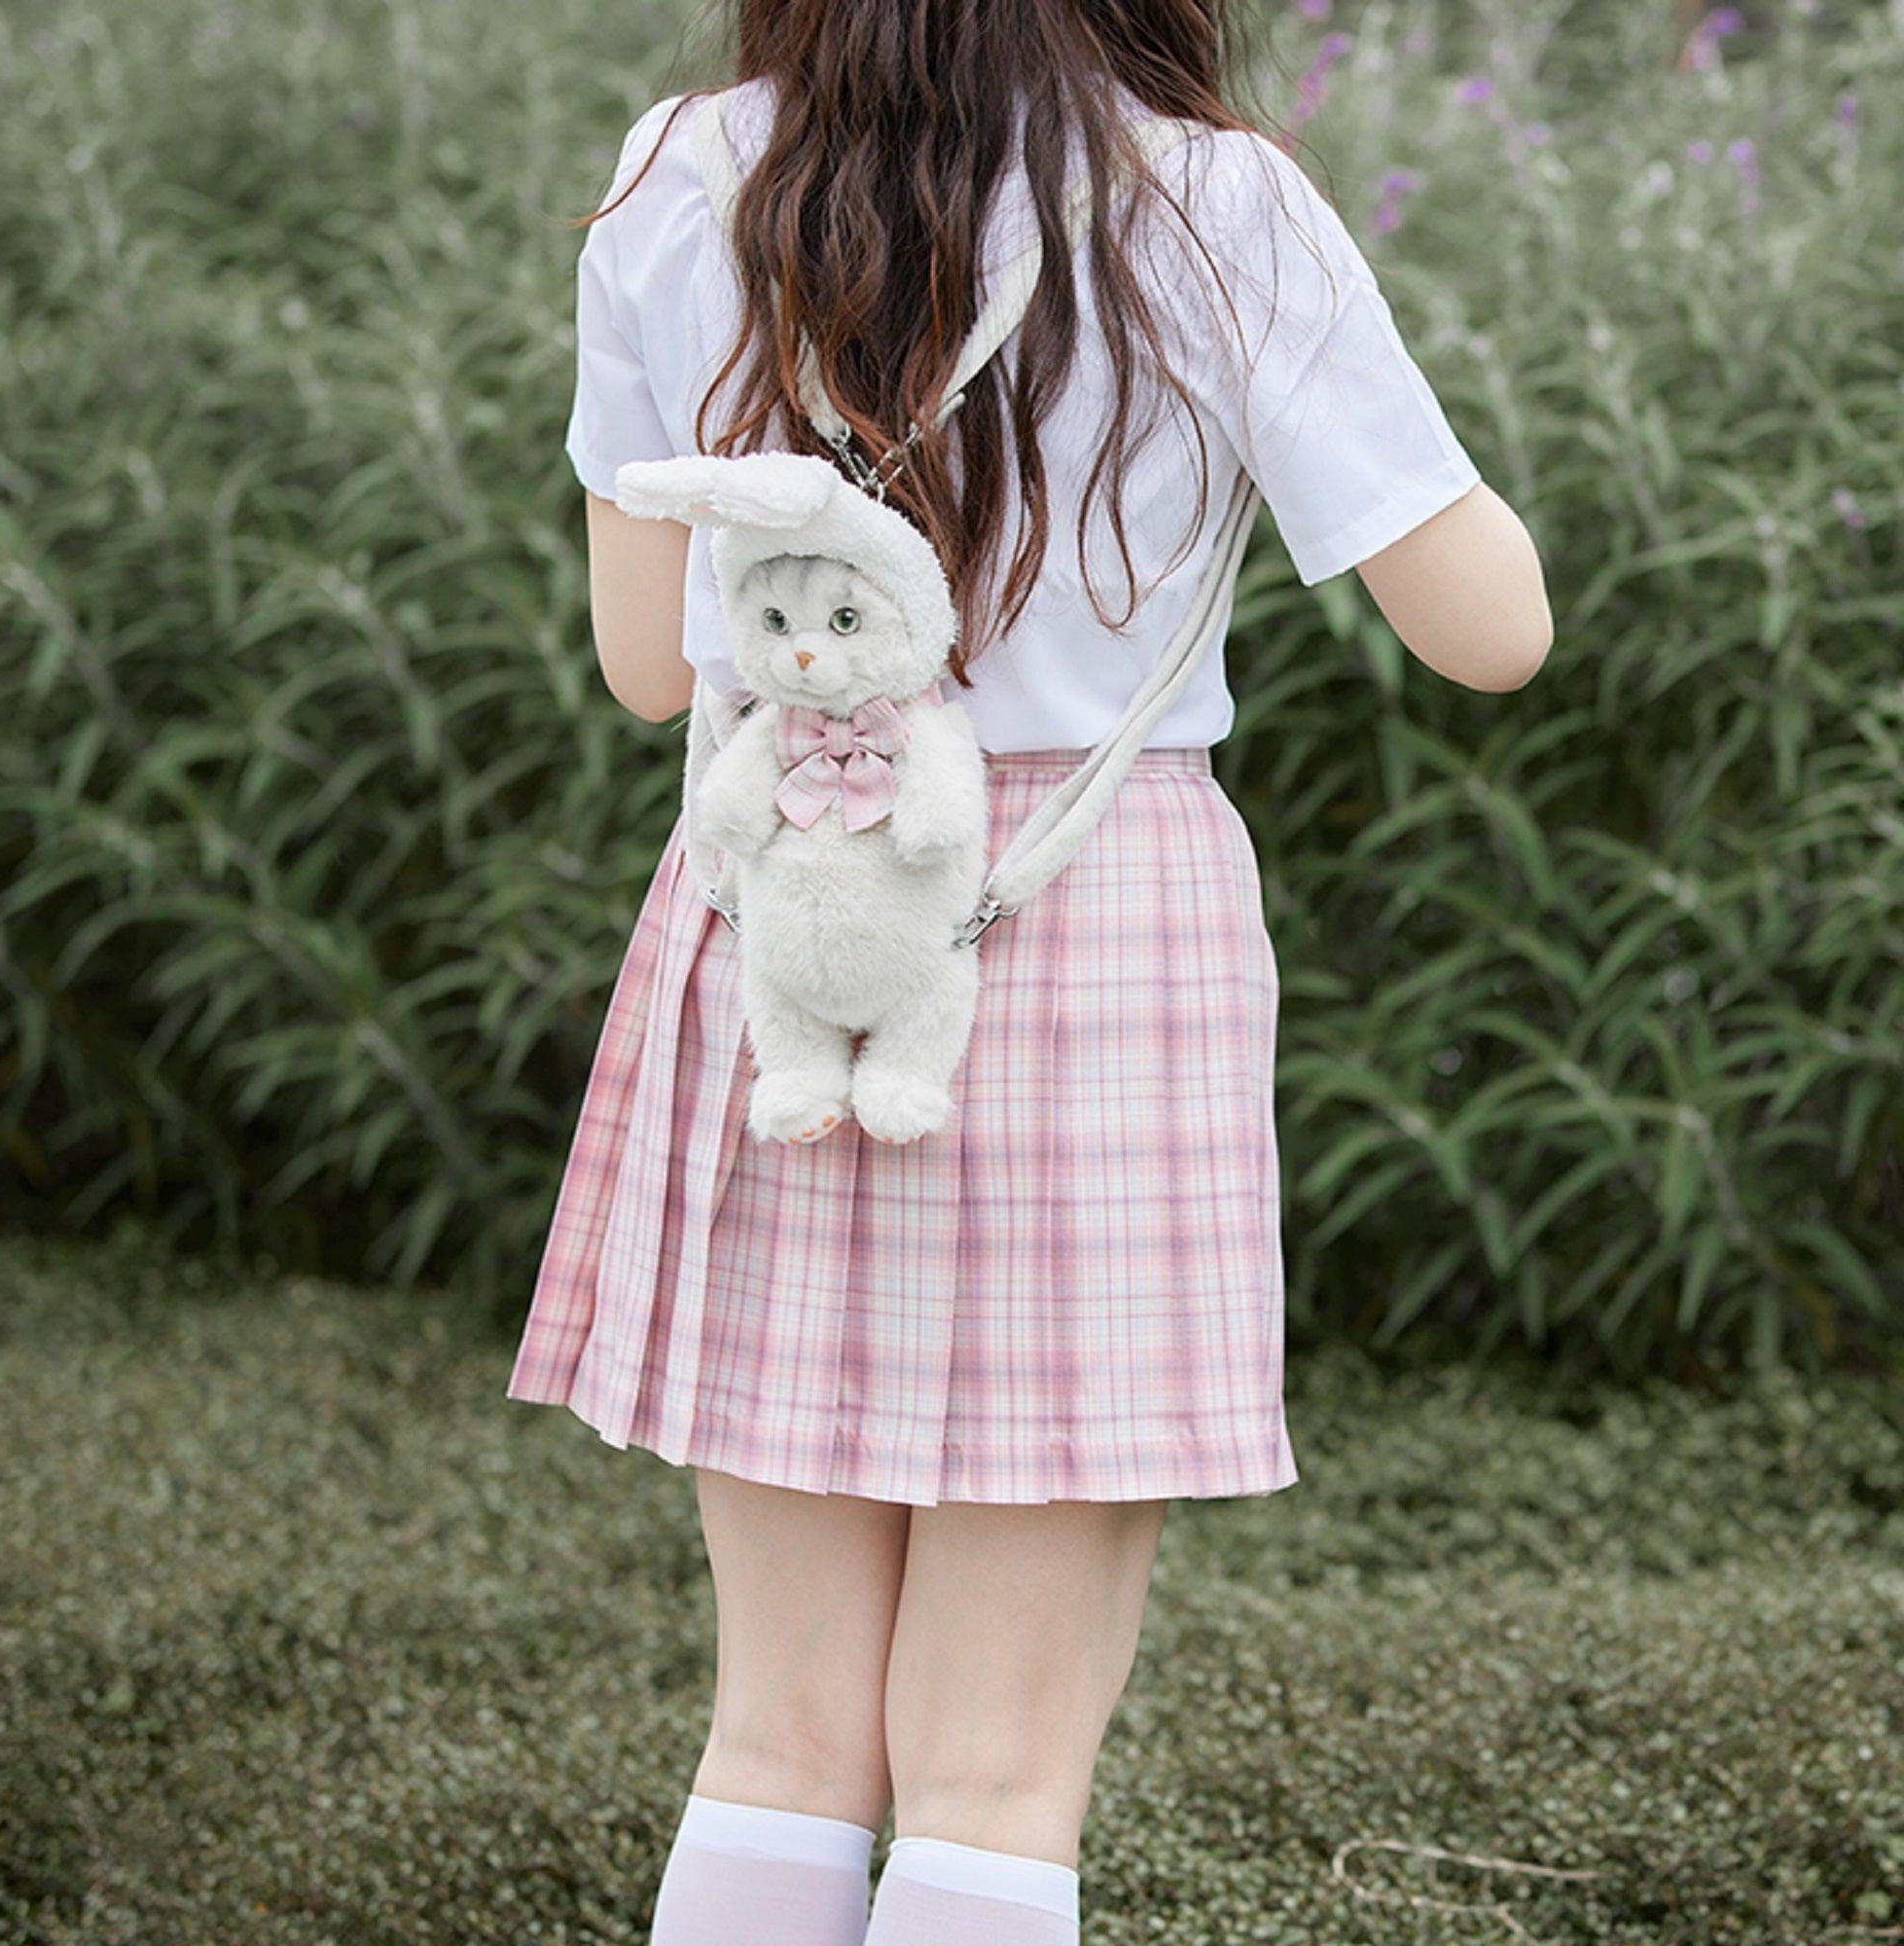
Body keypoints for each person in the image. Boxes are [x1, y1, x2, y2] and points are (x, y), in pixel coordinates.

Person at [508, 3, 1554, 1939]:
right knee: (992, 1770)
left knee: (779, 1735)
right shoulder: (1209, 205)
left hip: (780, 931)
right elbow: (1490, 628)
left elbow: (652, 666)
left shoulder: (676, 174)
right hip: (1092, 934)